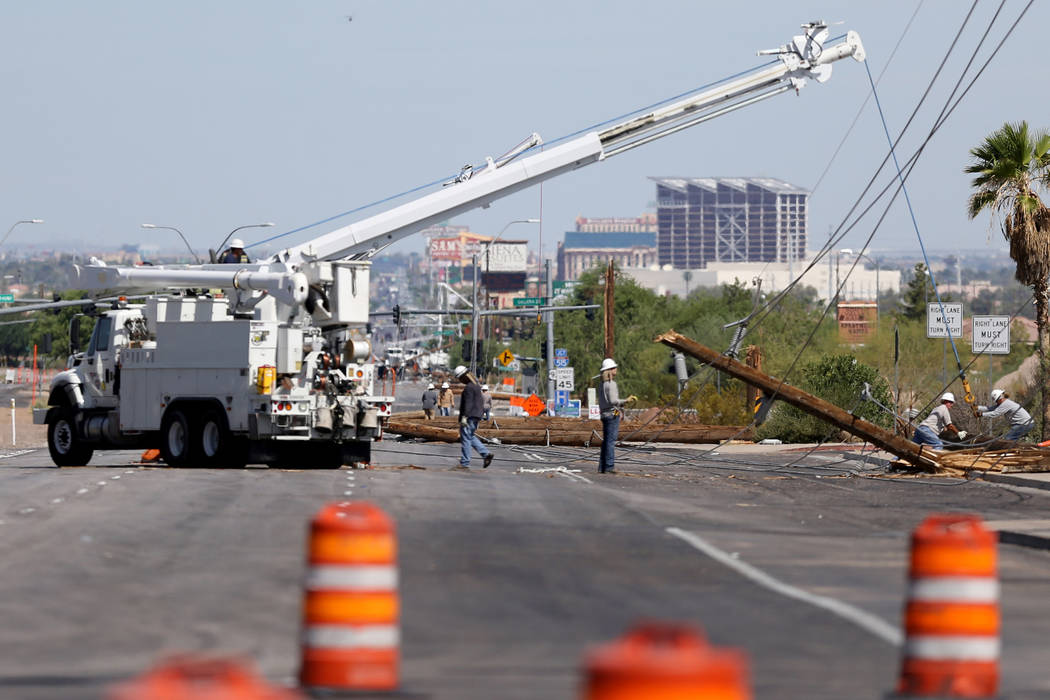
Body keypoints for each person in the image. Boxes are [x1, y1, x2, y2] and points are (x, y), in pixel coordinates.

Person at [596, 357, 636, 473]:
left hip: (604, 414)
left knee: (606, 441)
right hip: (612, 414)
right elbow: (613, 401)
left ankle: (602, 467)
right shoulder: (611, 384)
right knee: (610, 441)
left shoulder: (601, 385)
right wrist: (626, 400)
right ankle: (609, 466)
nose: (616, 369)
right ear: (610, 370)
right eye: (614, 368)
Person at [452, 365, 493, 470]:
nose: (460, 380)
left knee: (465, 438)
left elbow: (468, 404)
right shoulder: (476, 386)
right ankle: (485, 454)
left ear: (464, 377)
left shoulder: (469, 387)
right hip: (476, 415)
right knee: (470, 436)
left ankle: (465, 463)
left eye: (460, 378)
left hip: (469, 416)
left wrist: (464, 418)